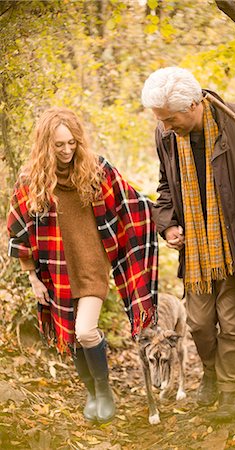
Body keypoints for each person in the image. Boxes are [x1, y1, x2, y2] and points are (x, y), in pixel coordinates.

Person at [141, 67, 235, 420]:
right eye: (160, 120)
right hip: (196, 250)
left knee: (232, 323)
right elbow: (165, 188)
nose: (165, 126)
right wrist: (168, 225)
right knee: (198, 323)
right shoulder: (166, 137)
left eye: (169, 118)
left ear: (193, 104)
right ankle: (209, 374)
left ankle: (228, 390)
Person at [7, 107, 158, 424]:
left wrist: (169, 218)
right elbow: (19, 232)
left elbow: (134, 203)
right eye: (59, 145)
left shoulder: (97, 170)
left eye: (71, 143)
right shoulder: (30, 181)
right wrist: (33, 279)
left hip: (92, 267)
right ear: (46, 144)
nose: (66, 150)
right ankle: (91, 392)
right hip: (56, 272)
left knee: (86, 331)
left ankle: (103, 391)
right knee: (73, 336)